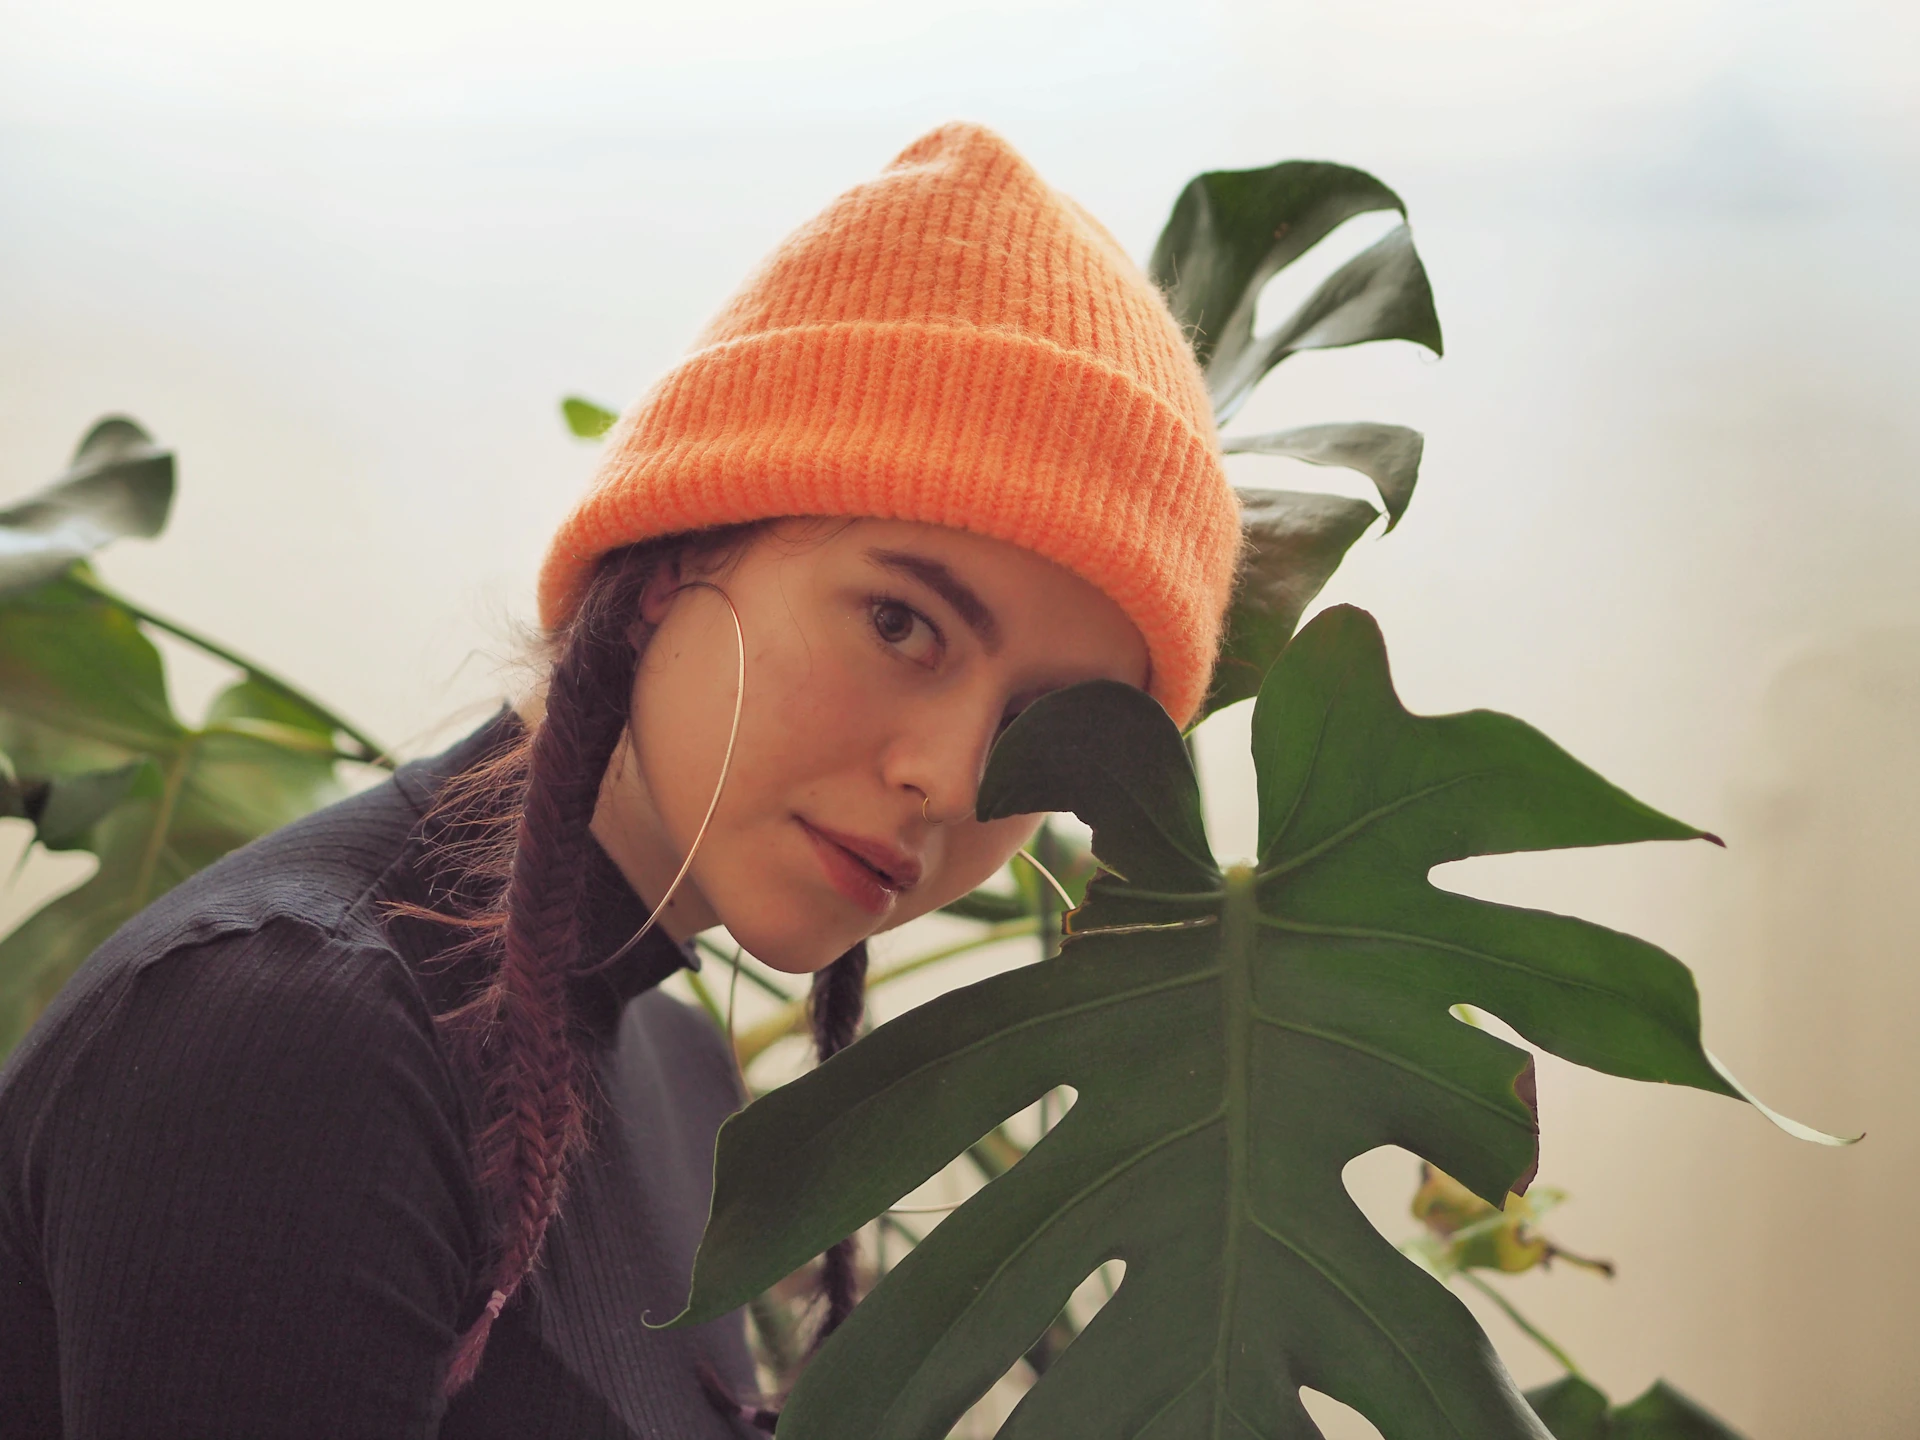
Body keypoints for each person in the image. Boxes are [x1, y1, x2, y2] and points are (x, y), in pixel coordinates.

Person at [0, 121, 1239, 1437]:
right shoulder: (295, 1034)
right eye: (898, 623)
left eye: (1047, 727)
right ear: (662, 565)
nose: (946, 778)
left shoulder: (679, 1067)